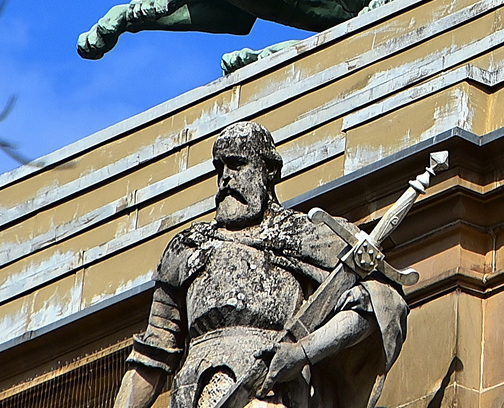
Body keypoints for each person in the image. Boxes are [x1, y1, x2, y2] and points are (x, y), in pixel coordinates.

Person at [112, 122, 407, 408]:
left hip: (274, 391)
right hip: (194, 394)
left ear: (269, 171)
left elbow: (382, 303)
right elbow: (152, 357)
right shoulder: (187, 247)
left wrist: (304, 351)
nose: (226, 177)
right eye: (220, 168)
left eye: (237, 164)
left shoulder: (307, 234)